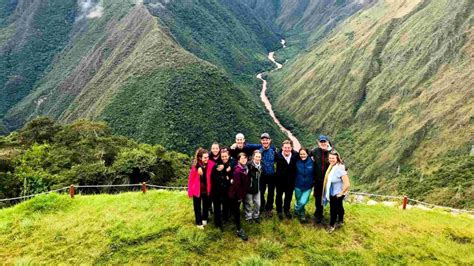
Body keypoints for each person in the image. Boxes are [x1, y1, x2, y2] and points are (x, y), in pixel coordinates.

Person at [231, 133, 277, 216]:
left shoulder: (273, 150)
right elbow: (245, 146)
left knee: (271, 193)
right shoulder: (258, 149)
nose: (265, 141)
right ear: (261, 141)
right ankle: (262, 207)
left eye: (267, 140)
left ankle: (269, 208)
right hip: (261, 175)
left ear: (270, 141)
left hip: (271, 175)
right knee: (261, 192)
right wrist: (235, 144)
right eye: (263, 140)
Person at [323, 150, 350, 233]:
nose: (331, 160)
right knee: (339, 207)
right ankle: (341, 220)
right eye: (330, 158)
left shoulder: (339, 169)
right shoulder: (331, 167)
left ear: (337, 158)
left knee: (333, 210)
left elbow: (347, 183)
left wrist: (341, 193)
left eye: (333, 158)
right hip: (332, 191)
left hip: (337, 193)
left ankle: (331, 225)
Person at [188, 148, 215, 229]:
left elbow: (215, 166)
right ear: (200, 158)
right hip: (197, 189)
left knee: (206, 205)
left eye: (207, 157)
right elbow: (191, 179)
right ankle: (198, 222)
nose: (207, 159)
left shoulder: (210, 164)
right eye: (205, 157)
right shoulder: (195, 166)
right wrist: (190, 190)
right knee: (197, 206)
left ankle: (204, 218)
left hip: (207, 189)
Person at [228, 152, 249, 240]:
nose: (244, 160)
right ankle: (239, 229)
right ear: (238, 160)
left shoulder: (245, 168)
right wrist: (239, 197)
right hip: (236, 195)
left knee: (234, 210)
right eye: (242, 158)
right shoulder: (238, 170)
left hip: (240, 194)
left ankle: (231, 220)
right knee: (236, 212)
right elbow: (236, 186)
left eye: (245, 158)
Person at [275, 140, 298, 219]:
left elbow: (304, 155)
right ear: (282, 148)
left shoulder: (295, 155)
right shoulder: (278, 156)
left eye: (288, 148)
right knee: (279, 196)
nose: (287, 149)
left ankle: (286, 210)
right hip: (279, 181)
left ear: (291, 148)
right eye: (285, 148)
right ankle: (279, 211)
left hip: (290, 181)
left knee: (288, 196)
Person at [211, 148, 232, 230]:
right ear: (220, 157)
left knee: (226, 205)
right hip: (216, 190)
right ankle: (218, 224)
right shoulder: (218, 166)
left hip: (226, 190)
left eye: (225, 156)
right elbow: (214, 177)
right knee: (217, 207)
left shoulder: (230, 164)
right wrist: (225, 178)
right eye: (222, 156)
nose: (224, 158)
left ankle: (225, 220)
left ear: (228, 156)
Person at [311, 135, 331, 224]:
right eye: (321, 142)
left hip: (329, 180)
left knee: (332, 197)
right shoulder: (315, 151)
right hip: (318, 179)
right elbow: (305, 156)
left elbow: (339, 161)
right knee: (318, 198)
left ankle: (336, 215)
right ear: (318, 143)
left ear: (327, 142)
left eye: (324, 142)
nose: (323, 143)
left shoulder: (332, 152)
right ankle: (318, 214)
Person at [294, 148, 314, 223]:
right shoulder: (296, 161)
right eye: (301, 154)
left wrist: (313, 182)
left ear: (307, 154)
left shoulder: (312, 162)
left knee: (302, 202)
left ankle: (296, 209)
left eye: (304, 154)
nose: (302, 155)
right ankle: (301, 214)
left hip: (308, 186)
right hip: (298, 185)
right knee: (299, 200)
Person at [245, 150, 263, 223]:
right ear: (253, 157)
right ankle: (248, 217)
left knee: (258, 204)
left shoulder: (261, 166)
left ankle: (256, 216)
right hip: (249, 188)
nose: (258, 158)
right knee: (248, 203)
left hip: (257, 188)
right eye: (256, 157)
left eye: (259, 157)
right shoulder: (248, 165)